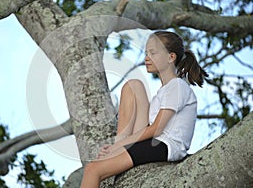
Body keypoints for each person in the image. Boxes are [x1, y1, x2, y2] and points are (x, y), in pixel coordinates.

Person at [80, 31, 208, 187]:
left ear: (170, 57)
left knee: (93, 169)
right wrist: (119, 145)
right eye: (146, 53)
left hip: (165, 145)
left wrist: (117, 148)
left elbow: (156, 130)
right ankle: (118, 145)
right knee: (133, 86)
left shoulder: (178, 86)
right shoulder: (164, 90)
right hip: (155, 141)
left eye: (153, 53)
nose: (147, 57)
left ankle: (117, 148)